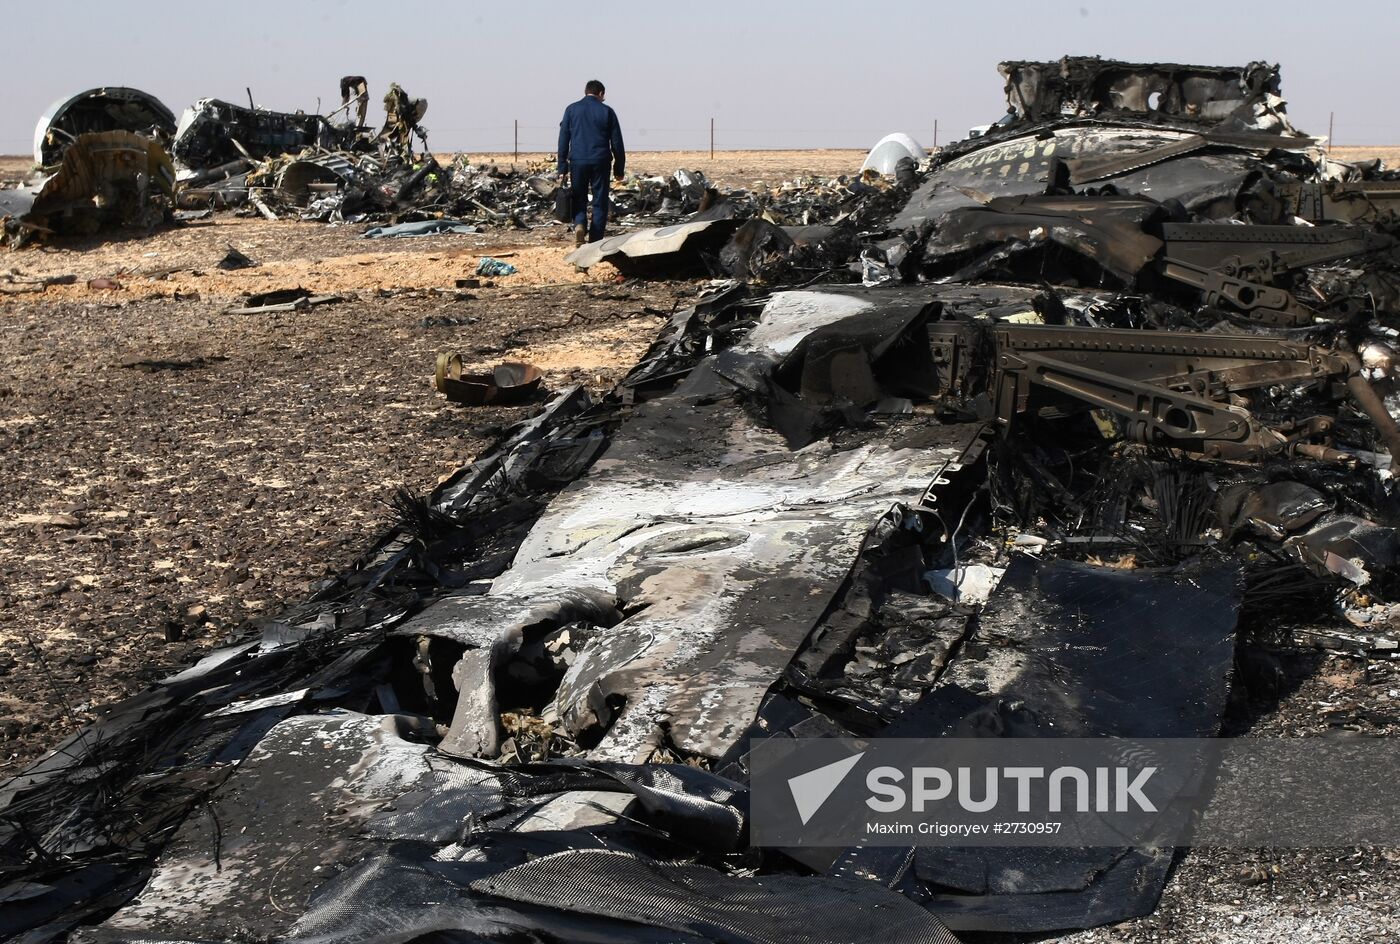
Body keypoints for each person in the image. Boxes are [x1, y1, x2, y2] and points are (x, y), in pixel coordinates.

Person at [557, 80, 625, 246]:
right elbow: (617, 143)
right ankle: (595, 241)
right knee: (600, 201)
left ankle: (580, 224)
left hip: (578, 160)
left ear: (586, 92)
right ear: (601, 93)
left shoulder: (571, 110)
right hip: (601, 160)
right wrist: (619, 168)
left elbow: (563, 139)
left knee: (578, 197)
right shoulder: (607, 111)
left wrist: (562, 166)